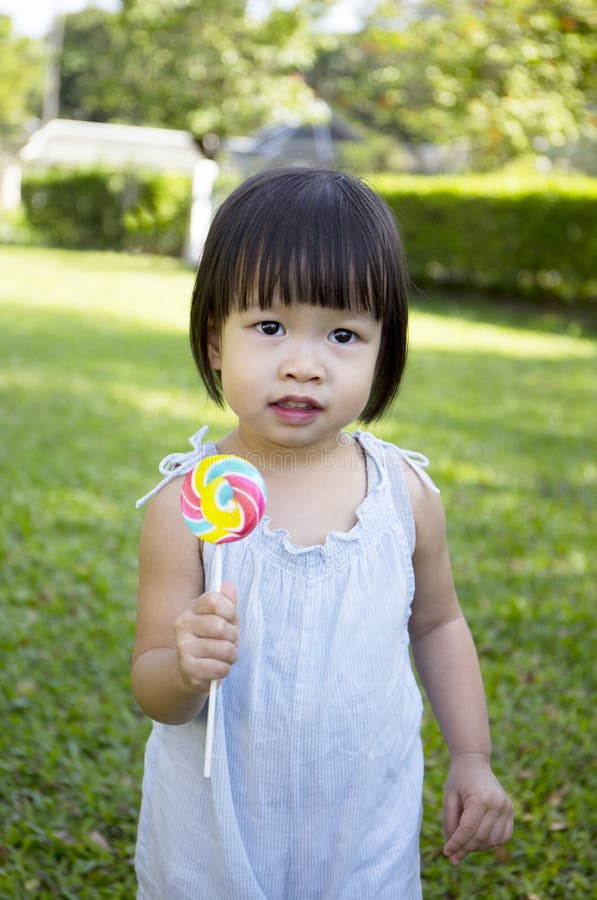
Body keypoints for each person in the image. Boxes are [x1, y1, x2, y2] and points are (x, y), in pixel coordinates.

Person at [132, 167, 513, 899]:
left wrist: (471, 756)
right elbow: (153, 688)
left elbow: (437, 625)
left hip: (362, 826)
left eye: (342, 333)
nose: (303, 365)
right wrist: (183, 669)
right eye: (269, 327)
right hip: (216, 835)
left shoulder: (403, 496)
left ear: (383, 352)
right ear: (215, 342)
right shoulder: (186, 505)